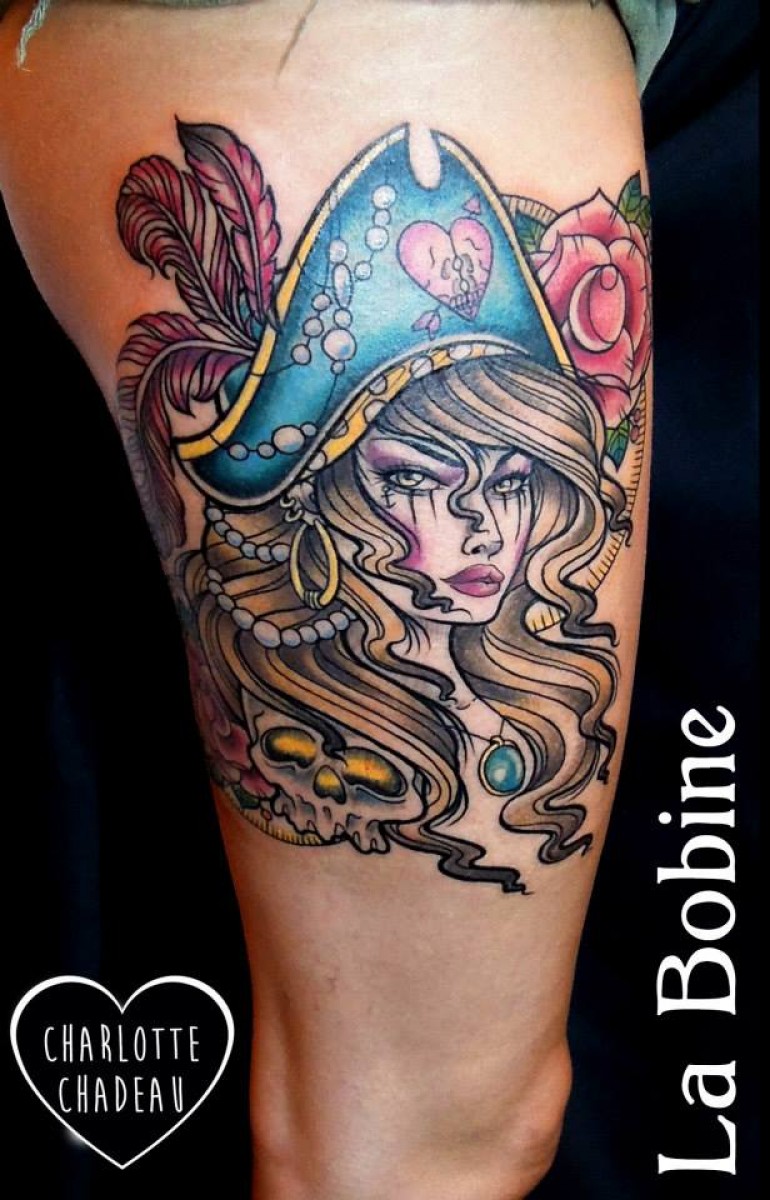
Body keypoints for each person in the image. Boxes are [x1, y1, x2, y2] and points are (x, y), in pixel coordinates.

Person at [0, 4, 655, 1197]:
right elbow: (411, 1146)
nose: (479, 531)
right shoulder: (405, 42)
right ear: (324, 488)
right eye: (414, 478)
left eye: (509, 478)